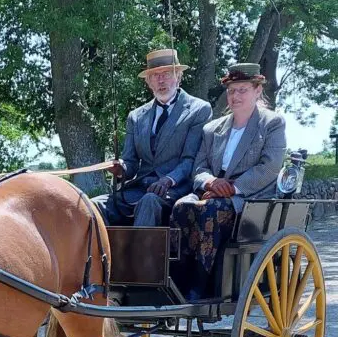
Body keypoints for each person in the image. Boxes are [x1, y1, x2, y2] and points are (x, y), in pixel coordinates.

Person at [170, 63, 287, 300]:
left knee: (212, 210)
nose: (235, 96)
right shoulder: (212, 129)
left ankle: (199, 286)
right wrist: (212, 182)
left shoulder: (271, 124)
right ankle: (177, 278)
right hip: (212, 191)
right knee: (180, 207)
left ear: (257, 91)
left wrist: (231, 188)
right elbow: (200, 168)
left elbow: (270, 167)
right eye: (231, 91)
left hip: (248, 199)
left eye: (242, 90)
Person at [93, 48, 212, 226]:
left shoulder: (199, 110)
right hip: (139, 188)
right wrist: (121, 169)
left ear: (178, 76)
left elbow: (190, 159)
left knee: (148, 201)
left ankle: (140, 255)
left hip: (176, 189)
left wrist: (168, 180)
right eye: (155, 75)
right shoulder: (136, 116)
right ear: (148, 82)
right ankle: (101, 254)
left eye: (166, 73)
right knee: (93, 206)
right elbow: (130, 162)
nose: (161, 80)